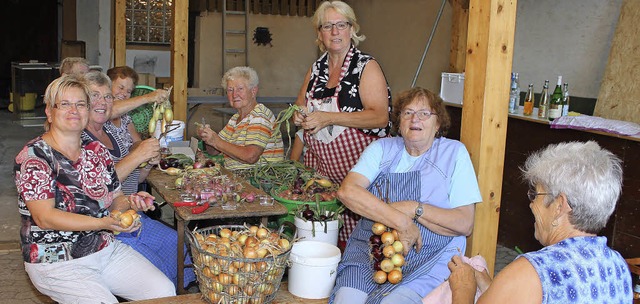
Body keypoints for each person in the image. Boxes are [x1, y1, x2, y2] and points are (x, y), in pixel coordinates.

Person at [14, 75, 175, 303]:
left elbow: (116, 197)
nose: (74, 110)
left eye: (80, 104)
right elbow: (45, 217)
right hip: (55, 261)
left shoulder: (96, 150)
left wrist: (127, 207)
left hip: (102, 248)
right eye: (65, 104)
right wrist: (103, 223)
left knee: (164, 291)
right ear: (49, 112)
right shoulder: (34, 156)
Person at [331, 87, 482, 304]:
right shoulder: (381, 148)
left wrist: (413, 208)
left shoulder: (454, 153)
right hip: (371, 250)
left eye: (424, 113)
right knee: (346, 300)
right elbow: (348, 192)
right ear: (399, 122)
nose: (415, 119)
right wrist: (402, 221)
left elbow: (464, 223)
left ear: (437, 124)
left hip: (429, 256)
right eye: (407, 112)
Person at [448, 141, 633, 304]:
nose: (531, 203)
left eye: (536, 194)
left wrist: (463, 289)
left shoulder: (532, 271)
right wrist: (494, 288)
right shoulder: (618, 265)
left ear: (560, 205)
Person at [80, 71, 196, 288]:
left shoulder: (111, 133)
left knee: (177, 243)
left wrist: (148, 163)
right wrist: (137, 156)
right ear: (81, 103)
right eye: (94, 96)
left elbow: (136, 175)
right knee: (156, 269)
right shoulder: (79, 138)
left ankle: (180, 293)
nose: (103, 102)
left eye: (107, 97)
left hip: (129, 214)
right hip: (106, 227)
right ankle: (164, 291)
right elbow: (100, 184)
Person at [293, 0, 392, 247]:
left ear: (352, 29)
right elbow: (299, 107)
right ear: (319, 33)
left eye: (341, 25)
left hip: (360, 176)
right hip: (323, 173)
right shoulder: (316, 69)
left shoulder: (365, 66)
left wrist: (329, 117)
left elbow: (380, 116)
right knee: (322, 236)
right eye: (328, 26)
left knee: (363, 243)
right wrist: (298, 116)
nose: (335, 32)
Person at [197, 66, 284, 170]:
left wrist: (216, 141)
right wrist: (207, 137)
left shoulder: (259, 116)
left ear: (253, 91)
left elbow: (251, 156)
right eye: (230, 90)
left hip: (258, 182)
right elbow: (214, 151)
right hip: (239, 179)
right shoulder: (235, 119)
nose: (234, 95)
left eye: (240, 89)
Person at [107, 66, 170, 139]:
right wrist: (149, 97)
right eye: (121, 88)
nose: (124, 93)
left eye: (128, 91)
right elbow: (112, 109)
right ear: (108, 85)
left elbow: (137, 142)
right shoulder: (101, 110)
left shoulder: (125, 117)